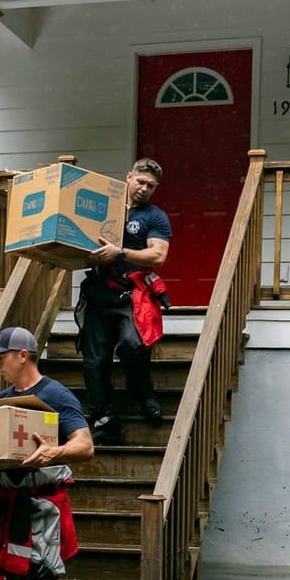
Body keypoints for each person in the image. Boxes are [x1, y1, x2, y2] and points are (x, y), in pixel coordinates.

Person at [0, 326, 96, 580]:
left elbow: (85, 446)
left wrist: (53, 452)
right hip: (1, 500)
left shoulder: (56, 395)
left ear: (23, 356)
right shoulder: (3, 402)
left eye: (2, 357)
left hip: (40, 504)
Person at [79, 157, 171, 444]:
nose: (144, 189)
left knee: (134, 345)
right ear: (129, 177)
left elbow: (158, 256)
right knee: (94, 359)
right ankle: (105, 417)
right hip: (98, 291)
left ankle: (142, 393)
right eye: (140, 181)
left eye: (151, 186)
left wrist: (120, 253)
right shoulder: (102, 207)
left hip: (132, 293)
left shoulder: (155, 217)